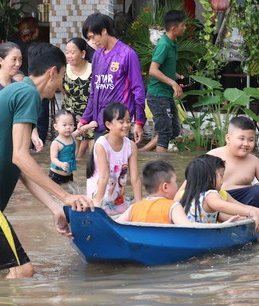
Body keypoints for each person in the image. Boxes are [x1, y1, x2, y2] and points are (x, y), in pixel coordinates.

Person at [0, 43, 94, 279]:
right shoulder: (28, 94)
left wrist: (55, 207)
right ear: (52, 72)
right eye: (62, 78)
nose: (61, 86)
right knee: (24, 270)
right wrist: (66, 196)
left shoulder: (18, 90)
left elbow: (20, 167)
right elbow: (21, 157)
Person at [77, 12, 146, 143]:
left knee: (119, 163)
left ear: (103, 31)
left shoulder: (127, 54)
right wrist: (85, 119)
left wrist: (139, 121)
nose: (91, 42)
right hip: (99, 124)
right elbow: (94, 91)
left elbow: (138, 90)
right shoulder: (97, 55)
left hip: (118, 123)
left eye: (92, 37)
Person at [140, 10, 187, 153]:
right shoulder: (164, 45)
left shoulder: (173, 42)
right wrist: (173, 83)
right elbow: (153, 70)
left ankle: (143, 152)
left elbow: (163, 67)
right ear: (174, 28)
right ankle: (160, 169)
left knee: (173, 130)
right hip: (158, 95)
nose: (185, 28)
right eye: (183, 25)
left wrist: (176, 76)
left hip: (165, 95)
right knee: (165, 133)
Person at [180, 156, 259, 233]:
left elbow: (221, 217)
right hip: (201, 235)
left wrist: (253, 217)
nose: (222, 181)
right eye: (221, 176)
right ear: (210, 178)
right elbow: (222, 206)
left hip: (185, 233)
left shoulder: (188, 196)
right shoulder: (211, 194)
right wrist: (250, 212)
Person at [85, 102, 142, 215]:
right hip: (99, 193)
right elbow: (104, 177)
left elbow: (135, 178)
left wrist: (140, 205)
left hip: (117, 197)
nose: (126, 125)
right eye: (121, 122)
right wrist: (97, 207)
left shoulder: (131, 146)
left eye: (128, 121)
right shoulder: (102, 144)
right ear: (108, 124)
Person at [116, 160, 197, 225]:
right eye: (175, 182)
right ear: (165, 187)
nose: (177, 186)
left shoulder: (134, 208)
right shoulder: (174, 207)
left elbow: (116, 225)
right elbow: (187, 228)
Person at [15, 16, 49, 147]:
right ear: (36, 31)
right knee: (40, 118)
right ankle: (38, 144)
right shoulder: (42, 47)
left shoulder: (16, 47)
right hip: (40, 87)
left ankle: (25, 144)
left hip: (21, 86)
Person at [62, 37, 94, 158]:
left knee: (94, 156)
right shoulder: (64, 69)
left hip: (90, 117)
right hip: (70, 118)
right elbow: (60, 87)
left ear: (83, 53)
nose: (69, 56)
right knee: (71, 157)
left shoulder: (94, 69)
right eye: (67, 52)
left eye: (72, 52)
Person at [49, 109, 81, 184]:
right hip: (56, 175)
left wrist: (89, 126)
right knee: (55, 195)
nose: (68, 127)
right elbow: (53, 158)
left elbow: (80, 131)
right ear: (56, 126)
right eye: (64, 125)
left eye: (71, 124)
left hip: (69, 175)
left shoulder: (72, 136)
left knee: (70, 193)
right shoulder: (56, 143)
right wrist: (61, 164)